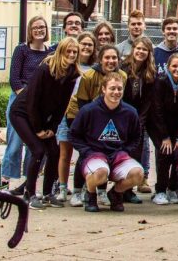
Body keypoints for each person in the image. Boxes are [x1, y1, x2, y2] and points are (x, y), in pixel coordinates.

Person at [9, 37, 80, 207]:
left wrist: (52, 128)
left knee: (54, 152)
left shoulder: (72, 74)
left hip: (43, 117)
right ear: (61, 51)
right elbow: (33, 100)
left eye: (74, 52)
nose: (71, 54)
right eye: (68, 51)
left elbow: (63, 103)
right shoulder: (45, 69)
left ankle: (48, 193)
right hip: (22, 113)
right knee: (38, 150)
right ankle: (29, 194)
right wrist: (38, 129)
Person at [69, 72, 144, 213]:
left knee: (138, 173)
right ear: (103, 89)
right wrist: (86, 151)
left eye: (119, 89)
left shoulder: (130, 112)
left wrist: (126, 151)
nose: (116, 92)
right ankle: (91, 195)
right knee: (101, 172)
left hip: (117, 155)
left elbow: (136, 137)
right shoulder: (88, 110)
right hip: (94, 155)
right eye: (112, 88)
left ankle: (115, 194)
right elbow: (74, 135)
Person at [64, 45, 127, 207]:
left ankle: (101, 191)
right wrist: (89, 125)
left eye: (114, 58)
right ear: (100, 59)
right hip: (82, 115)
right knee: (86, 153)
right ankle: (78, 191)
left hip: (108, 118)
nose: (111, 61)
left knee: (106, 150)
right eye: (107, 58)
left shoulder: (122, 76)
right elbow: (82, 102)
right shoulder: (89, 76)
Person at [4, 15, 52, 192]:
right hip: (19, 101)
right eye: (35, 27)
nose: (39, 30)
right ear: (30, 31)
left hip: (39, 105)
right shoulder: (22, 50)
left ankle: (27, 181)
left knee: (35, 144)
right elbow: (14, 79)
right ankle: (6, 179)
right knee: (15, 142)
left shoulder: (51, 52)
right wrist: (27, 98)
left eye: (42, 27)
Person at [55, 32, 98, 202]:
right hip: (67, 114)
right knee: (65, 154)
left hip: (86, 116)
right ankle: (63, 188)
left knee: (84, 154)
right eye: (83, 44)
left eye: (90, 44)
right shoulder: (70, 67)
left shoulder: (95, 69)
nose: (86, 47)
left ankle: (82, 189)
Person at [148, 52, 178, 205]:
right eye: (174, 66)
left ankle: (172, 188)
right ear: (168, 67)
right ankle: (160, 190)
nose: (177, 69)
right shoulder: (160, 82)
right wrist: (165, 137)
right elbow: (157, 110)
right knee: (164, 154)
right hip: (159, 126)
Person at [121, 35, 157, 200]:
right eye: (139, 48)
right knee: (121, 154)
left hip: (140, 119)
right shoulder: (123, 68)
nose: (141, 52)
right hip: (122, 116)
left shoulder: (150, 72)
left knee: (135, 153)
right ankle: (119, 188)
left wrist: (140, 121)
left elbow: (148, 100)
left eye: (145, 49)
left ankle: (129, 190)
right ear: (133, 49)